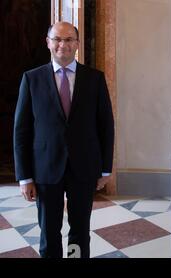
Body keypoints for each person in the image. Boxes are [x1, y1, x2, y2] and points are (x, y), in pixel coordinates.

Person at [14, 22, 114, 258]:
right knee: (49, 232)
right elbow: (21, 131)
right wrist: (24, 177)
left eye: (69, 39)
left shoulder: (95, 79)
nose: (63, 45)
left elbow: (106, 126)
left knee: (80, 231)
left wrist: (106, 169)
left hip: (84, 167)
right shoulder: (31, 79)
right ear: (47, 42)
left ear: (77, 44)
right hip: (45, 169)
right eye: (57, 39)